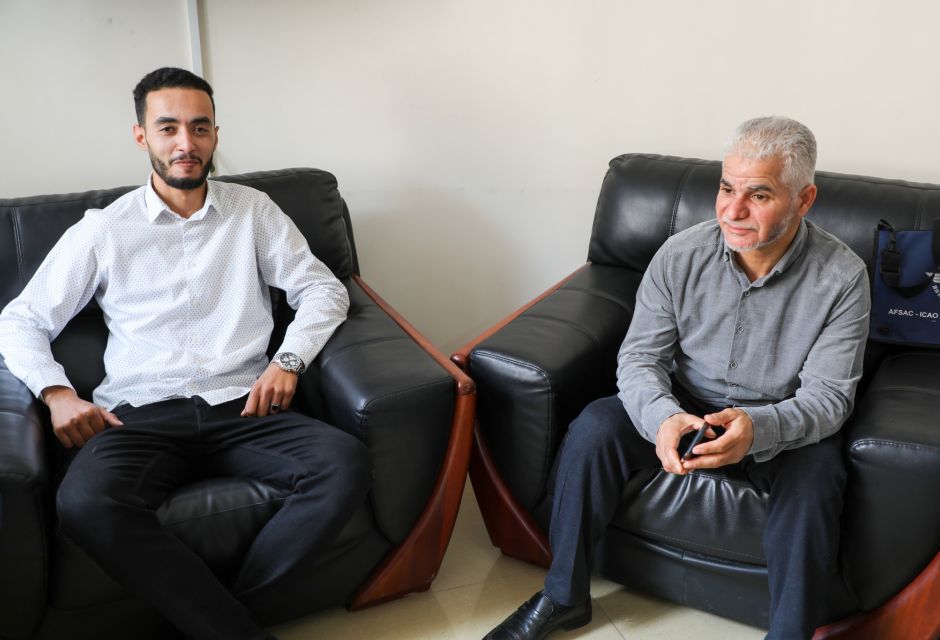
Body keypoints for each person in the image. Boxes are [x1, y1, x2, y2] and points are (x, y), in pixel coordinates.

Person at [0, 67, 371, 640]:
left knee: (344, 463)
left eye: (199, 128)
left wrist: (289, 361)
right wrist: (56, 394)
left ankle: (221, 624)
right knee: (86, 504)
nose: (185, 143)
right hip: (139, 416)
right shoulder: (103, 230)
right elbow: (21, 318)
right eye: (168, 127)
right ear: (141, 136)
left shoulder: (253, 211)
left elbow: (324, 289)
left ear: (216, 134)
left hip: (245, 406)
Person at [483, 116, 870, 640]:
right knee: (596, 426)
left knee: (818, 478)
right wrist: (664, 418)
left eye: (758, 195)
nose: (733, 211)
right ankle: (564, 596)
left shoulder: (843, 277)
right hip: (686, 403)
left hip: (781, 419)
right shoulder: (679, 254)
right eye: (727, 188)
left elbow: (828, 399)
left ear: (804, 200)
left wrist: (757, 428)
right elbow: (640, 359)